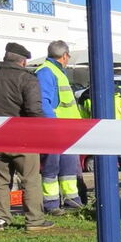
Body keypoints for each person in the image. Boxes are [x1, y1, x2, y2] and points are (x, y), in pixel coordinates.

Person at [0, 43, 54, 232]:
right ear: (23, 61)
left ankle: (1, 219)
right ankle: (34, 221)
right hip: (23, 139)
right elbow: (34, 111)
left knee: (1, 180)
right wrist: (44, 132)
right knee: (30, 179)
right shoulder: (27, 80)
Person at [35, 40, 83, 213]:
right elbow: (44, 103)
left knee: (69, 169)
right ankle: (51, 204)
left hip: (66, 131)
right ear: (65, 56)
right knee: (51, 169)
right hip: (56, 130)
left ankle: (72, 201)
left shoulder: (54, 71)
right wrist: (52, 128)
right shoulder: (46, 72)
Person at [80, 85, 121, 195]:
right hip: (117, 137)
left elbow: (83, 120)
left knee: (120, 165)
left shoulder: (86, 96)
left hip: (107, 138)